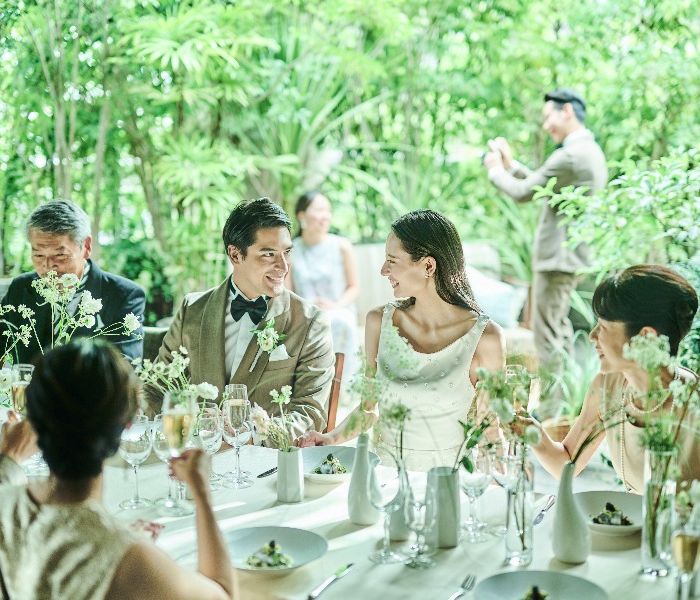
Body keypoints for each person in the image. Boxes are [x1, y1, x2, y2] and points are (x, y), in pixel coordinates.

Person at [0, 339, 234, 600]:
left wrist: (7, 458)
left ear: (33, 420)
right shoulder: (132, 559)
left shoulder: (6, 503)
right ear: (127, 424)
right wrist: (201, 493)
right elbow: (223, 594)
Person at [297, 210, 506, 471]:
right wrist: (330, 438)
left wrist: (506, 488)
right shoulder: (379, 322)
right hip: (386, 476)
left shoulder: (486, 338)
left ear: (428, 266)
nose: (383, 270)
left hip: (450, 481)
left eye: (392, 260)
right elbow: (368, 409)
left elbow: (489, 428)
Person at [149, 197, 334, 439]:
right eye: (269, 254)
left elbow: (311, 413)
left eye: (286, 252)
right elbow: (157, 389)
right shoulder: (192, 310)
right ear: (235, 255)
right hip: (198, 451)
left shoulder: (311, 322)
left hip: (264, 457)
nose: (283, 266)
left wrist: (251, 435)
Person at [526, 265, 699, 494]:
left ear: (646, 336)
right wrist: (526, 428)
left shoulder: (693, 402)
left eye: (604, 327)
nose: (592, 336)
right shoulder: (607, 387)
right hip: (628, 516)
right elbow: (567, 464)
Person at [484, 89, 608, 383]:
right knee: (557, 328)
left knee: (546, 334)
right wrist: (511, 166)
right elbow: (542, 184)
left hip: (557, 259)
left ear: (567, 111)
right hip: (568, 257)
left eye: (548, 116)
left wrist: (495, 171)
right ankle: (565, 396)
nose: (545, 125)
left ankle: (553, 404)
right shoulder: (587, 151)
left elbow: (523, 192)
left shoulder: (571, 156)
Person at [0, 200, 145, 362]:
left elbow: (125, 366)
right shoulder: (20, 288)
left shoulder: (123, 296)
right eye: (38, 255)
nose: (48, 266)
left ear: (86, 246)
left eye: (60, 255)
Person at [288, 191, 360, 382]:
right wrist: (307, 306)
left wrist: (335, 305)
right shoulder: (290, 251)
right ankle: (310, 386)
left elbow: (354, 287)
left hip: (339, 310)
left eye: (328, 210)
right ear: (301, 215)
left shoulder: (342, 246)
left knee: (339, 322)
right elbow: (286, 293)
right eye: (319, 210)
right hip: (305, 313)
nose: (325, 216)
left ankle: (342, 387)